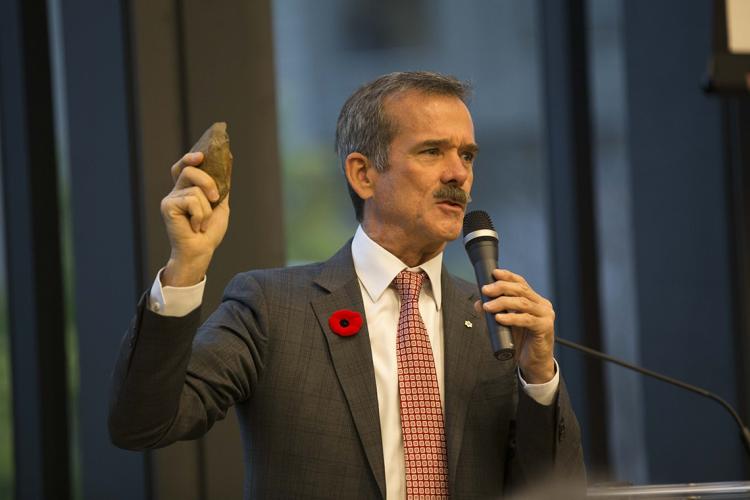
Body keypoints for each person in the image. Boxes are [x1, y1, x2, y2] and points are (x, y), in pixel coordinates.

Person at [109, 71, 585, 499]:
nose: (458, 173)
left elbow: (553, 490)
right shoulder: (273, 308)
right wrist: (185, 268)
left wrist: (539, 377)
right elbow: (143, 424)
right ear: (363, 174)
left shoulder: (496, 322)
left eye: (467, 154)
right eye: (432, 151)